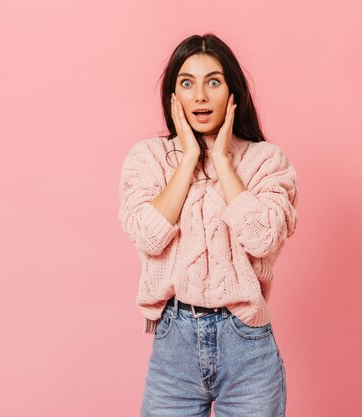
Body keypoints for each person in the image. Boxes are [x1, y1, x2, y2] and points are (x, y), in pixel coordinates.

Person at [117, 33, 298, 417]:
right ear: (173, 97)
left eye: (213, 81)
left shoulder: (267, 161)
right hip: (174, 346)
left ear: (233, 94)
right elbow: (148, 236)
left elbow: (263, 238)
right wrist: (188, 161)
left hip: (247, 345)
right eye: (187, 83)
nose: (200, 96)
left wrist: (222, 160)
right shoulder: (148, 158)